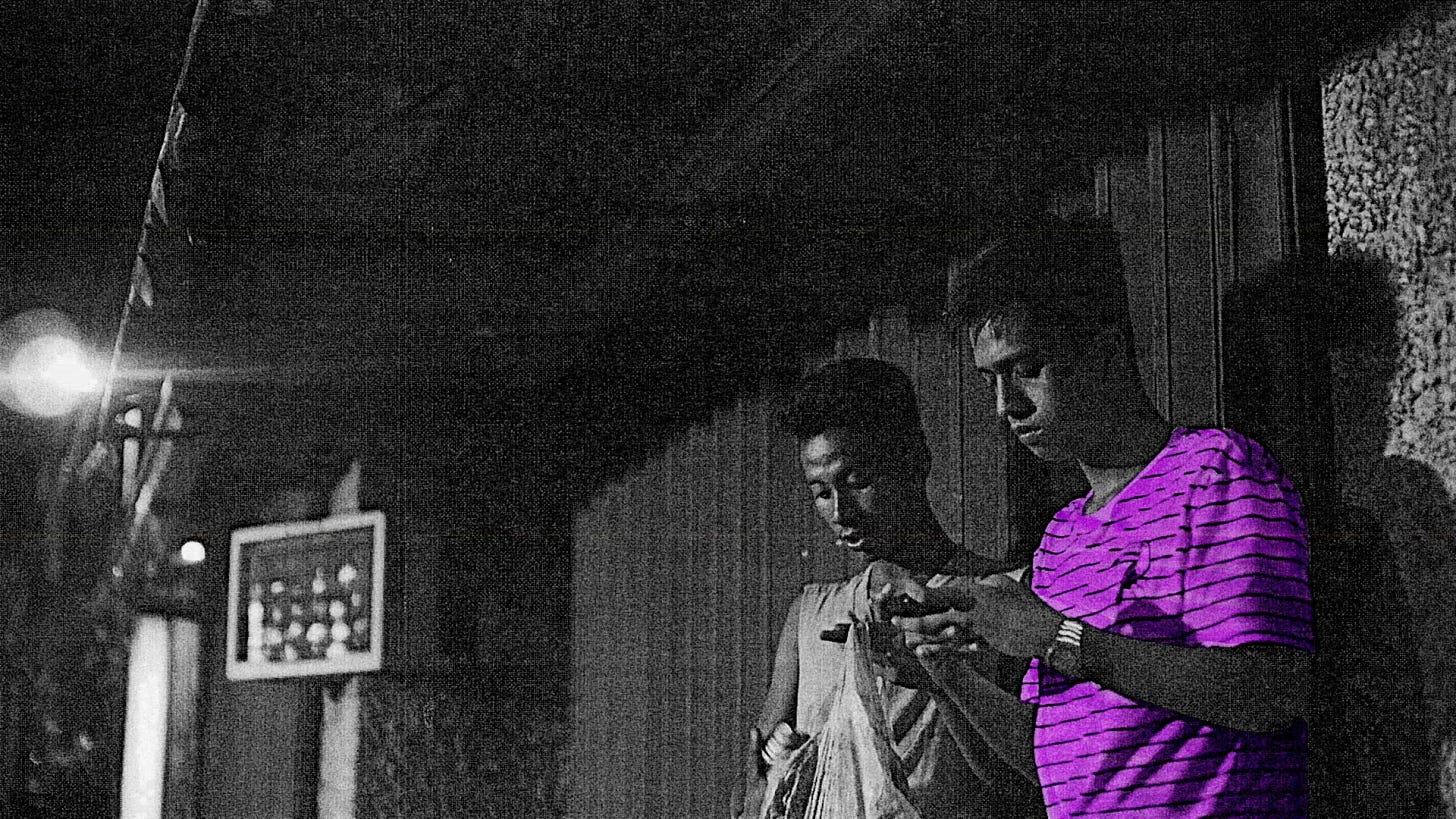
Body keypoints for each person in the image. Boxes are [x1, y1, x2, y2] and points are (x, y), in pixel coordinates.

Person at [881, 218, 1315, 817]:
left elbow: (1271, 692)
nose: (1006, 406)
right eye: (991, 380)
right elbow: (1047, 768)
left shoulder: (1213, 471)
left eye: (1027, 367)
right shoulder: (1060, 538)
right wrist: (945, 672)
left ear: (1106, 350)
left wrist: (1053, 637)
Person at [732, 357, 1043, 819]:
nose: (841, 512)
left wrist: (939, 677)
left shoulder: (1000, 595)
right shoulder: (810, 616)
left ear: (915, 460)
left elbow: (1032, 780)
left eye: (858, 481)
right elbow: (755, 784)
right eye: (821, 493)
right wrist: (775, 776)